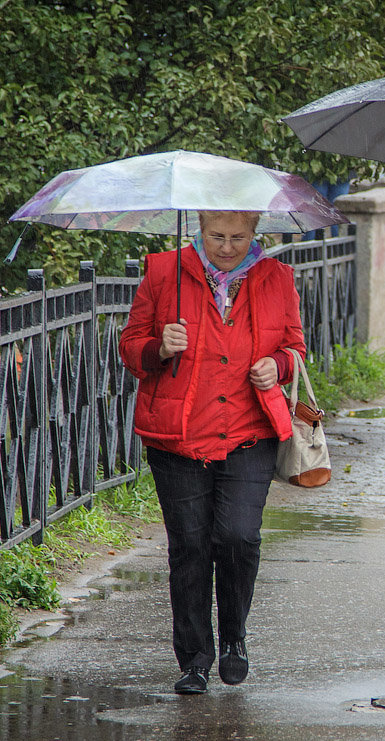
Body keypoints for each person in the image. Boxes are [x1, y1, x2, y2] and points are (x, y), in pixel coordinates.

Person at [119, 210, 305, 695]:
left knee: (239, 537)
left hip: (249, 431)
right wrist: (159, 346)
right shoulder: (164, 271)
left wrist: (278, 365)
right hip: (178, 436)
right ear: (199, 230)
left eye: (238, 238)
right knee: (190, 547)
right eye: (216, 237)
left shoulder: (277, 277)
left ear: (254, 233)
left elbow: (295, 347)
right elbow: (129, 345)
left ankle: (234, 638)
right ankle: (195, 658)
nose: (227, 247)